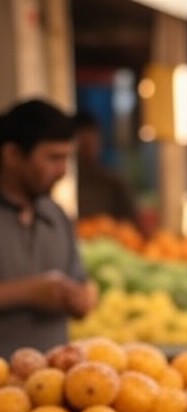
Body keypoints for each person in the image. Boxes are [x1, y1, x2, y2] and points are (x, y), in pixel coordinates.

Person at [0, 99, 96, 357]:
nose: (62, 171)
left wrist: (83, 297)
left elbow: (80, 281)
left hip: (50, 386)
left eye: (67, 158)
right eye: (53, 158)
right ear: (12, 155)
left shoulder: (56, 216)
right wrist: (28, 292)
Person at [74, 110, 139, 226]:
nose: (89, 149)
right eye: (83, 145)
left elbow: (130, 222)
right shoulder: (65, 185)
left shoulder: (113, 182)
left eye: (92, 143)